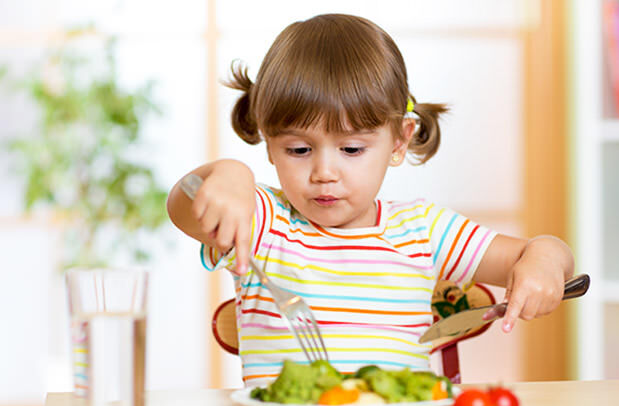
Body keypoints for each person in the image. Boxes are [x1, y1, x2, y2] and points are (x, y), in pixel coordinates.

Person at [167, 13, 574, 386]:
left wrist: (546, 262)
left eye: (352, 149)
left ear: (400, 140)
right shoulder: (261, 222)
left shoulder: (424, 230)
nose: (325, 172)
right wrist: (227, 175)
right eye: (298, 150)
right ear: (269, 145)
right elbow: (184, 207)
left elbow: (538, 252)